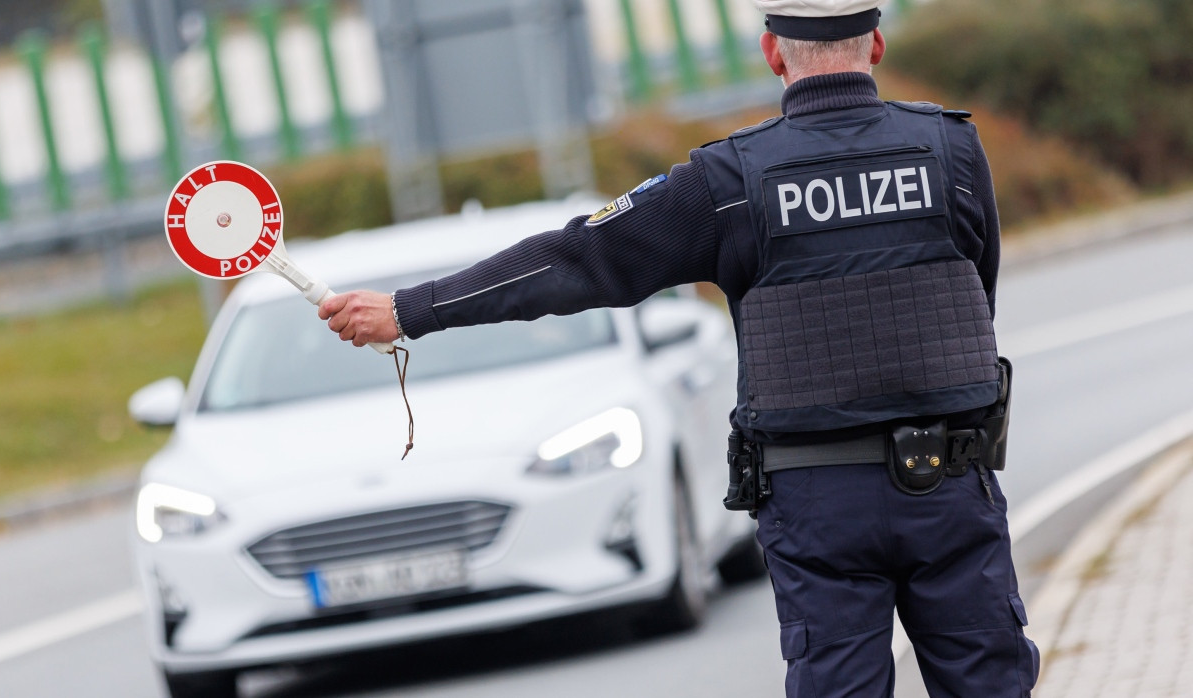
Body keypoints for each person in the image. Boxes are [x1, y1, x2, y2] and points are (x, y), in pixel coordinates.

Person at [319, 0, 1040, 695]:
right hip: (948, 479)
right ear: (876, 45)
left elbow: (575, 260)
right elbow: (978, 294)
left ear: (771, 50)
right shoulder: (952, 149)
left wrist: (411, 310)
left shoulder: (727, 183)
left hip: (818, 505)